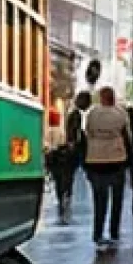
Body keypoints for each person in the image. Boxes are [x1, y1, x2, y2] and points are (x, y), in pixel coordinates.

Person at [84, 86, 132, 250]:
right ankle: (114, 232)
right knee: (117, 199)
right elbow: (127, 135)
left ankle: (98, 233)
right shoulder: (121, 113)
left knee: (99, 199)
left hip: (95, 159)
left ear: (101, 98)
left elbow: (87, 132)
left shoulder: (92, 113)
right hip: (117, 158)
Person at [59, 91, 91, 224]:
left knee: (69, 173)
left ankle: (66, 193)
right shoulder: (76, 114)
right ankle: (66, 193)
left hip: (74, 147)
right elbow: (75, 132)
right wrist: (74, 142)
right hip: (76, 149)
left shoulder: (73, 112)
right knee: (71, 172)